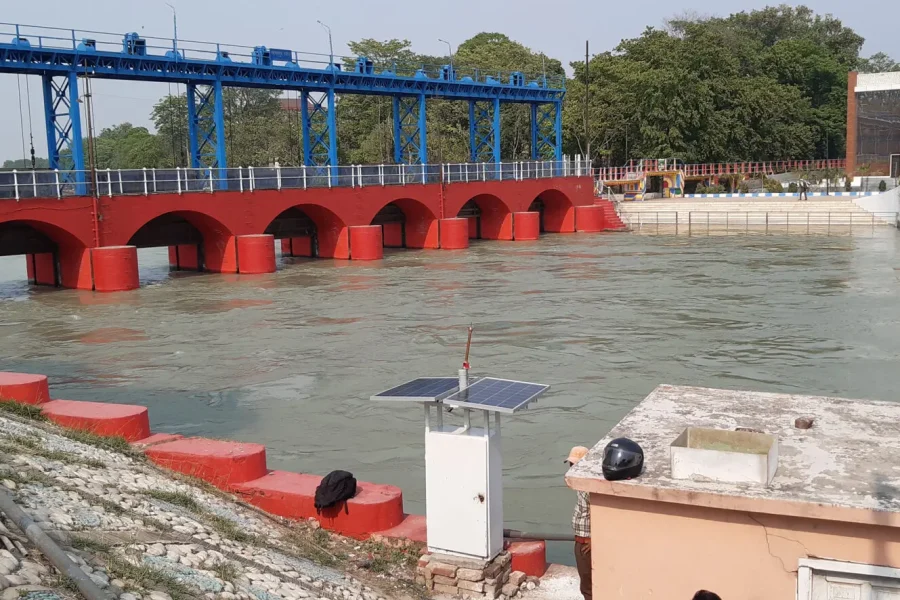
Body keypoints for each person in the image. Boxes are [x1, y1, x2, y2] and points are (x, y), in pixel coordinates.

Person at [566, 446, 591, 600]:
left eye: (575, 465)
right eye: (571, 465)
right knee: (586, 582)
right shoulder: (581, 485)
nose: (571, 468)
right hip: (581, 540)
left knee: (588, 585)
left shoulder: (589, 488)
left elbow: (599, 512)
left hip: (586, 542)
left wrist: (595, 538)